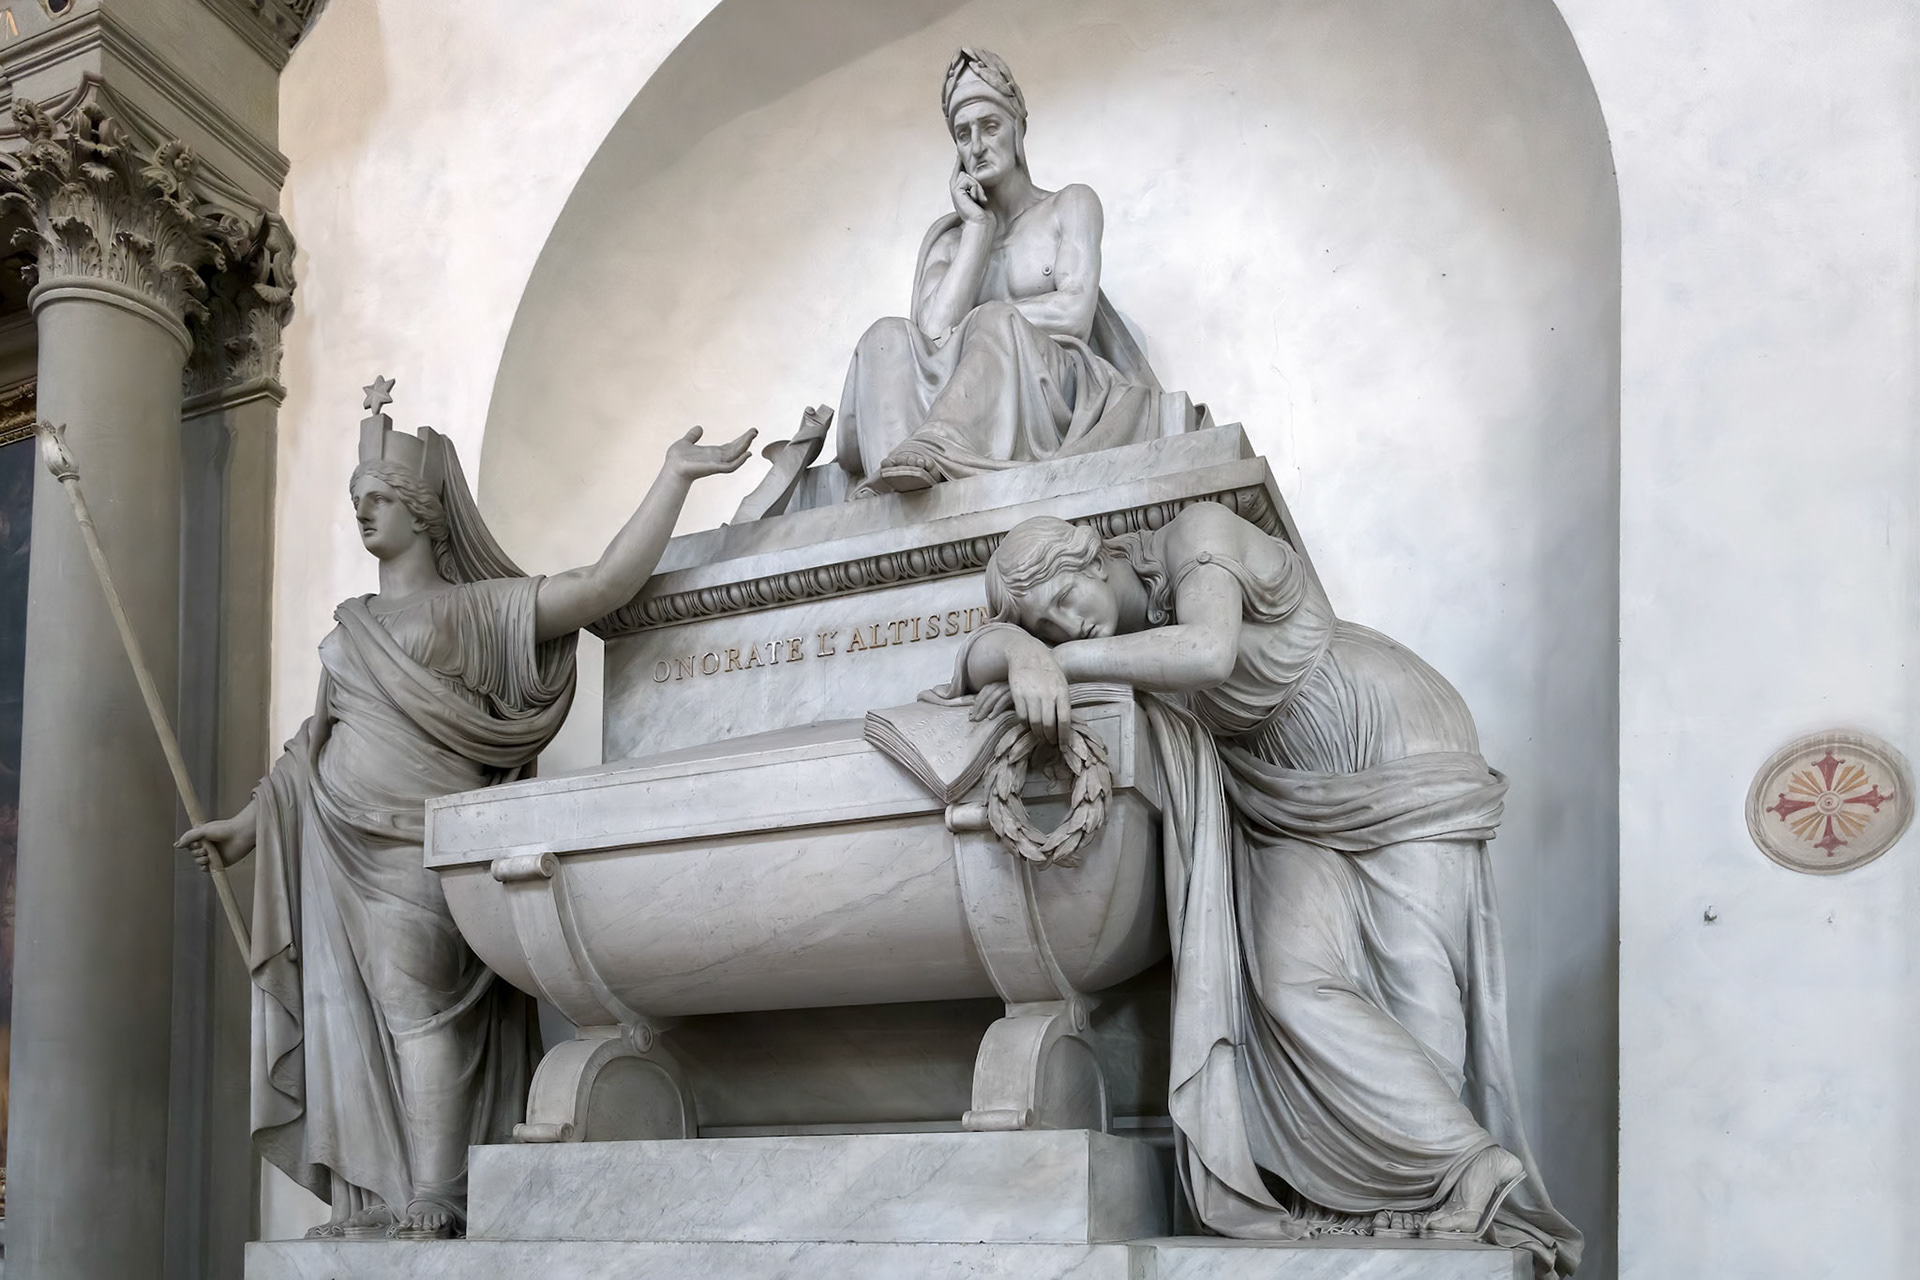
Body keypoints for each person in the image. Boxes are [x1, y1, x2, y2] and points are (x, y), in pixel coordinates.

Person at [950, 504, 1582, 1277]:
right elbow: (970, 657)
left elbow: (1208, 652)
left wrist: (1059, 665)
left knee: (1416, 978)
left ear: (1092, 556)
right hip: (1277, 787)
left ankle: (1444, 1192)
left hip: (1386, 736)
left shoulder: (1197, 536)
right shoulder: (1097, 643)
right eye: (1046, 626)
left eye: (1064, 602)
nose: (1066, 627)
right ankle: (1457, 1160)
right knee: (1289, 983)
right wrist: (1018, 652)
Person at [178, 393, 753, 1239]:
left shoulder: (478, 611)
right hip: (332, 841)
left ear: (421, 510)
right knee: (354, 1022)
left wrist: (672, 479)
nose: (363, 511)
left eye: (378, 497)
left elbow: (599, 588)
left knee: (418, 1011)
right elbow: (310, 750)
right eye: (356, 499)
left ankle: (439, 1193)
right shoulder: (351, 629)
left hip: (421, 845)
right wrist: (246, 826)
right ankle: (377, 1195)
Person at [835, 48, 1174, 494]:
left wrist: (986, 321)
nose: (976, 146)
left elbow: (1074, 314)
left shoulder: (1070, 205)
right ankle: (894, 489)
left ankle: (937, 451)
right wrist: (977, 228)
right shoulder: (949, 239)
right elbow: (932, 332)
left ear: (1018, 128)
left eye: (990, 127)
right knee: (884, 336)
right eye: (962, 134)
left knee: (994, 317)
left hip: (1052, 390)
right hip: (961, 384)